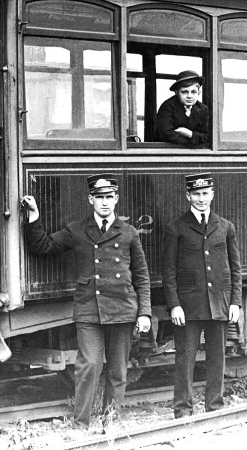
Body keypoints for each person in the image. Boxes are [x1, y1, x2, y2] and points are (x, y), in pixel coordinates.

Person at [21, 174, 152, 429]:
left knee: (117, 371)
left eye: (109, 198)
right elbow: (43, 246)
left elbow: (142, 276)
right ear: (90, 199)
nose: (105, 203)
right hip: (89, 309)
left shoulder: (129, 233)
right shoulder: (78, 230)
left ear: (116, 199)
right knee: (89, 365)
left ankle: (110, 421)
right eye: (99, 198)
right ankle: (81, 423)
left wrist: (144, 313)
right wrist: (34, 216)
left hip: (122, 309)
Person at [162, 172, 242, 418]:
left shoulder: (225, 226)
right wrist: (174, 305)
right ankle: (182, 410)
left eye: (205, 193)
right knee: (185, 359)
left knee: (217, 358)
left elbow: (235, 268)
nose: (201, 199)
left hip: (218, 304)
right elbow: (169, 270)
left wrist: (235, 302)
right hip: (188, 306)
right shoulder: (176, 227)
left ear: (212, 195)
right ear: (188, 196)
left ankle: (214, 407)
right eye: (196, 194)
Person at [154, 70, 211, 146]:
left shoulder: (203, 109)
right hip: (168, 151)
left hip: (195, 152)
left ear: (199, 93)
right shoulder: (167, 106)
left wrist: (189, 134)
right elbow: (165, 135)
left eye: (193, 92)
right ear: (177, 93)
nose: (189, 96)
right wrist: (195, 140)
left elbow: (208, 136)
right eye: (184, 92)